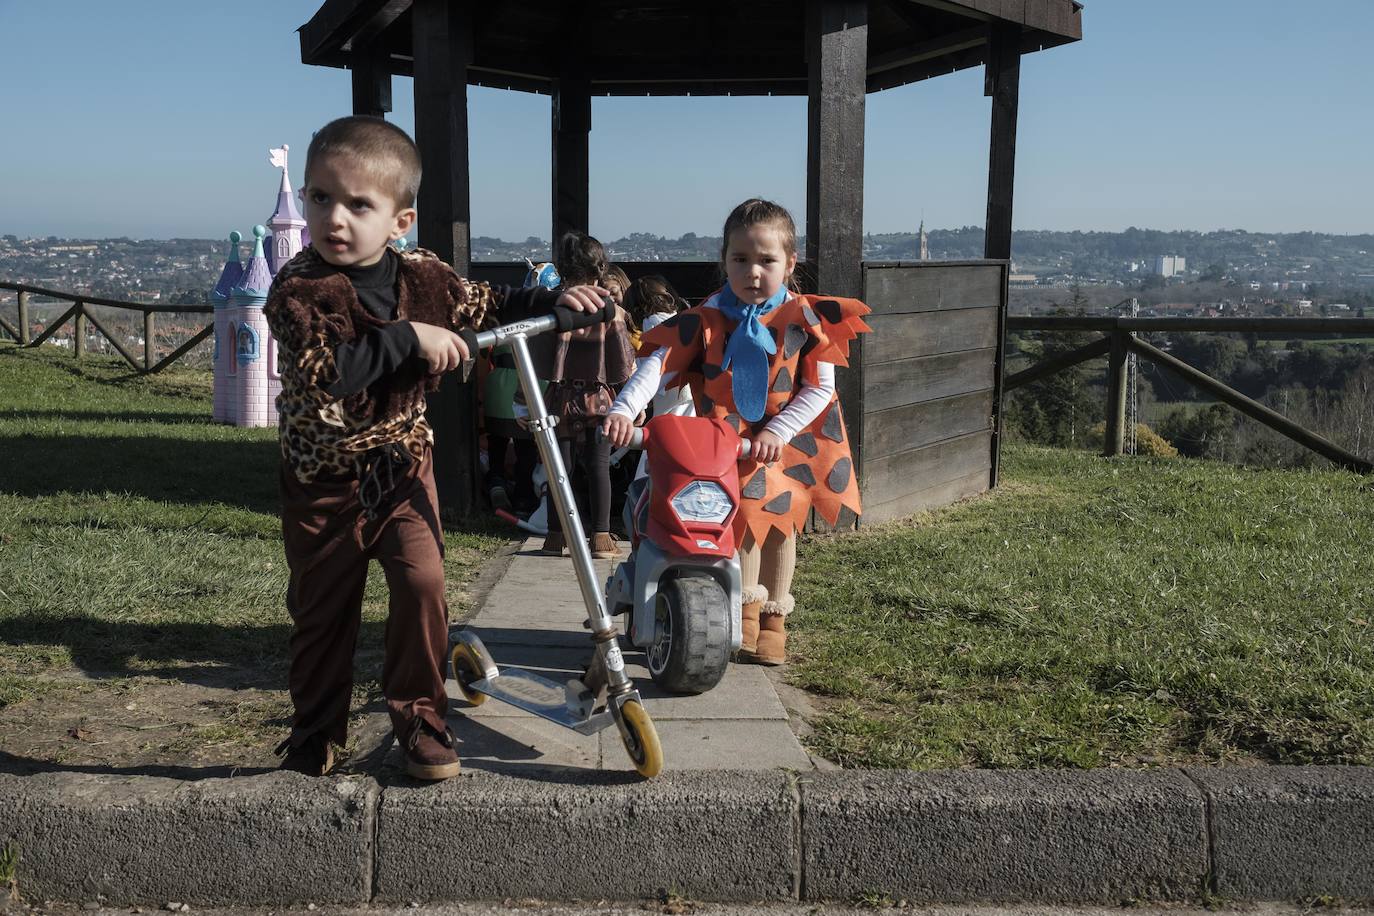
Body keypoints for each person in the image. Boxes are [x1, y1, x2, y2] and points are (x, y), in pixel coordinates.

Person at [264, 116, 607, 780]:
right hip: (324, 479)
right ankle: (314, 731)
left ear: (399, 221)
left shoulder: (425, 275)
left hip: (401, 463)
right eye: (319, 197)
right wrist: (407, 339)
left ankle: (421, 717)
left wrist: (553, 297)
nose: (334, 217)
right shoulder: (298, 290)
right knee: (322, 609)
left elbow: (484, 301)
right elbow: (327, 372)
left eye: (358, 204)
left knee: (423, 589)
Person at [603, 199, 871, 665]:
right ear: (724, 260)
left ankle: (774, 619)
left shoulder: (803, 320)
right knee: (736, 519)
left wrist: (779, 431)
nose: (752, 272)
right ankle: (742, 609)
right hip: (724, 444)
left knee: (782, 526)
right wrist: (626, 408)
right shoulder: (707, 318)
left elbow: (819, 390)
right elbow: (656, 363)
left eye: (766, 261)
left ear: (790, 263)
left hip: (790, 441)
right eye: (740, 260)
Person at [535, 231, 636, 559]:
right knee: (596, 467)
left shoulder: (556, 307)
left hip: (561, 397)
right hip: (598, 397)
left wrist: (525, 402)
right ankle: (600, 535)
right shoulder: (611, 312)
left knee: (561, 469)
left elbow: (539, 360)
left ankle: (558, 533)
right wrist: (630, 401)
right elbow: (623, 366)